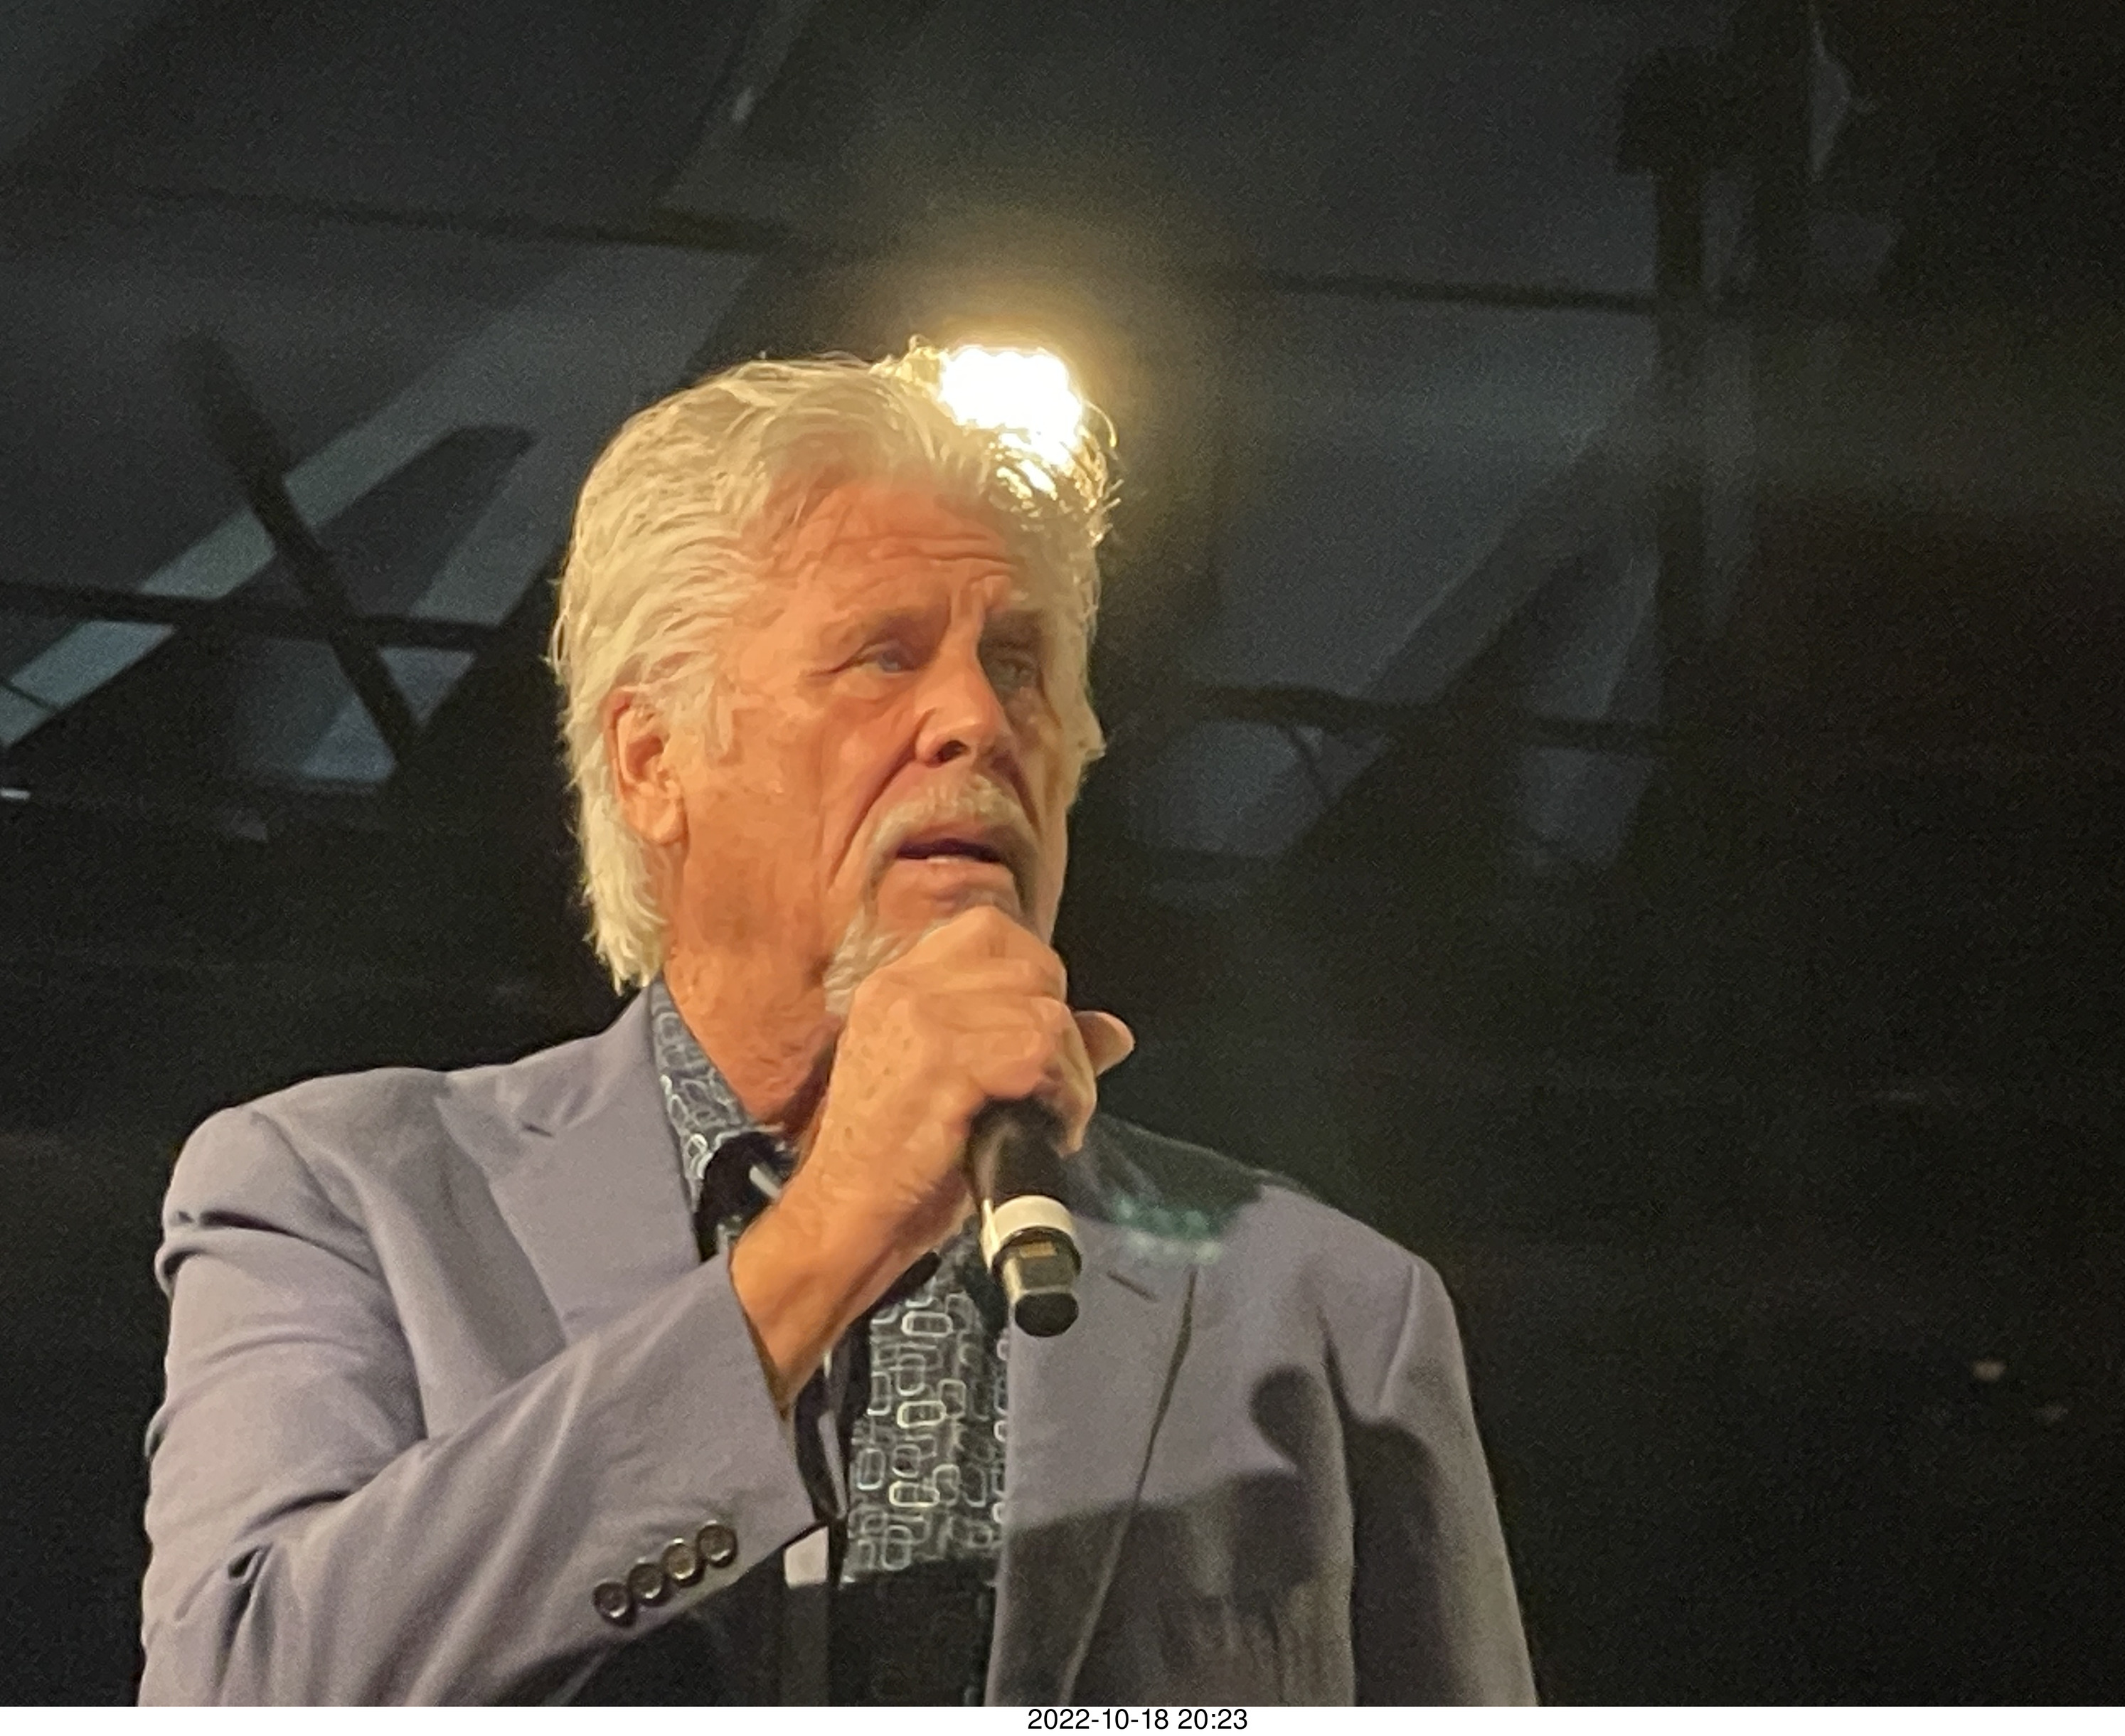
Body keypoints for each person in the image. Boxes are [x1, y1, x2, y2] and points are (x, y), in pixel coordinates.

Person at [138, 347, 1535, 1705]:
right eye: (881, 656)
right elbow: (238, 1689)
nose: (976, 720)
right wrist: (838, 1223)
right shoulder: (348, 1193)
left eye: (1018, 662)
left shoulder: (1331, 1314)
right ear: (653, 760)